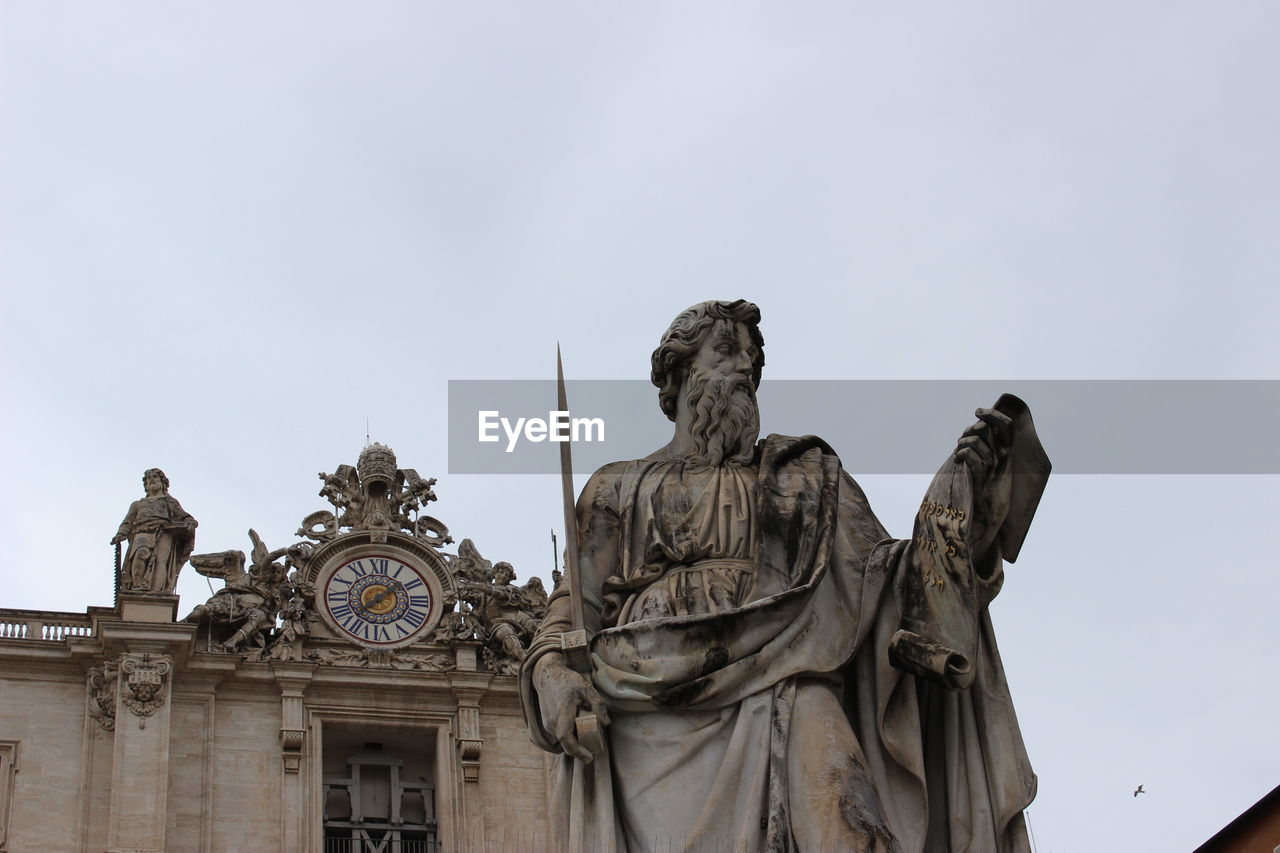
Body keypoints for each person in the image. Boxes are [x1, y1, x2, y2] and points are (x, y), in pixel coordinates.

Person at [519, 300, 1050, 852]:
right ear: (679, 373)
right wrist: (552, 672)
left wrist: (965, 514)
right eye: (725, 351)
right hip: (648, 701)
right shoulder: (615, 487)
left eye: (752, 357)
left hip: (792, 674)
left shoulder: (805, 474)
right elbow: (573, 606)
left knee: (853, 831)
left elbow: (887, 582)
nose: (745, 367)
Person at [111, 468, 198, 594]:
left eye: (155, 477)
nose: (151, 480)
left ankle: (156, 592)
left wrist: (190, 523)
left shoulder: (170, 502)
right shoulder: (138, 504)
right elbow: (127, 522)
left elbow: (185, 517)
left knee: (160, 561)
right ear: (145, 485)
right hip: (142, 532)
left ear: (163, 483)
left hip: (165, 532)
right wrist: (121, 533)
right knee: (139, 555)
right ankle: (137, 588)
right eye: (148, 479)